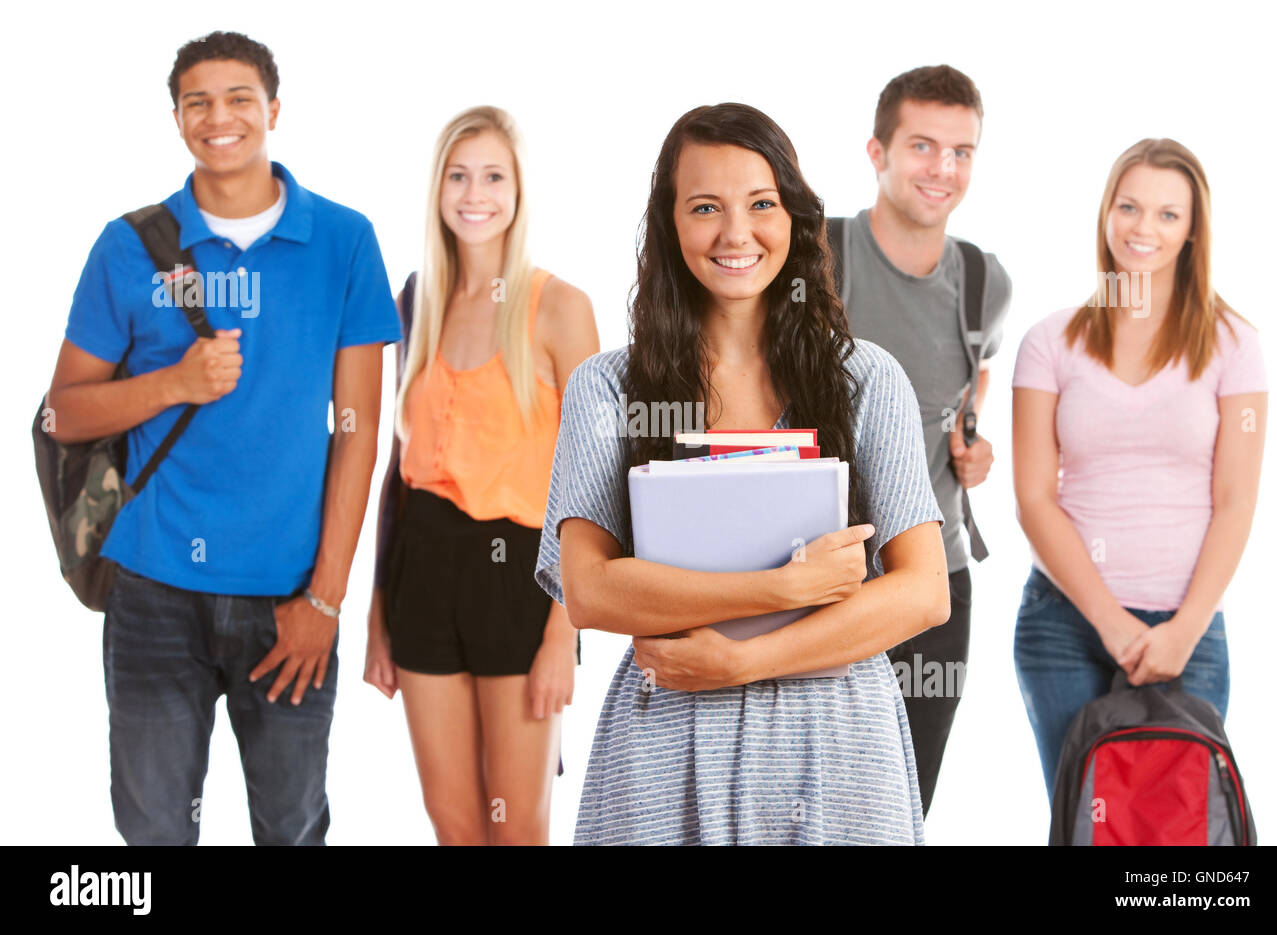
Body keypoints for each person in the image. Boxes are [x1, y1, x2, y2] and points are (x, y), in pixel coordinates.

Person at [534, 102, 950, 845]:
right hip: (668, 743)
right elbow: (590, 589)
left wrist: (743, 660)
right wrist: (780, 588)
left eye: (761, 204)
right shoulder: (607, 388)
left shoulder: (866, 381)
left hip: (838, 749)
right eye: (704, 207)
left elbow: (922, 592)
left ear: (792, 216)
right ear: (669, 224)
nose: (736, 233)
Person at [45, 31, 401, 844]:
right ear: (176, 119)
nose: (220, 116)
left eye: (240, 97)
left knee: (291, 827)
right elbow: (61, 414)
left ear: (274, 110)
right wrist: (175, 382)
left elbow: (358, 433)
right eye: (197, 101)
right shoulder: (128, 247)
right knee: (153, 835)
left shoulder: (344, 242)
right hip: (152, 589)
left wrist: (325, 598)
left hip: (289, 598)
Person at [364, 106, 598, 845]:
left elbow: (594, 481)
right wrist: (378, 608)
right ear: (437, 188)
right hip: (422, 575)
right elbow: (398, 474)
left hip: (520, 583)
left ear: (519, 189)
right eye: (459, 176)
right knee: (456, 823)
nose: (476, 194)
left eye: (494, 175)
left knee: (518, 825)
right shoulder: (415, 300)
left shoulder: (561, 307)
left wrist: (565, 631)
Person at [1011, 138, 1267, 798]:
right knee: (1085, 825)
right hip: (1064, 627)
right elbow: (1034, 497)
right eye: (1129, 206)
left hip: (1189, 631)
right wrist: (1110, 621)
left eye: (1167, 214)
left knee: (1174, 842)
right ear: (1106, 214)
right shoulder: (1049, 342)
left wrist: (1182, 629)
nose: (1143, 228)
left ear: (1192, 230)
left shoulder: (1235, 345)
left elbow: (1237, 499)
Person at [832, 64, 1012, 818]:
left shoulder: (983, 279)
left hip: (937, 581)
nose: (944, 169)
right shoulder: (819, 255)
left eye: (962, 151)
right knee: (824, 806)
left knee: (904, 814)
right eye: (923, 146)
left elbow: (972, 376)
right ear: (877, 153)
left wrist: (973, 444)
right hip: (828, 578)